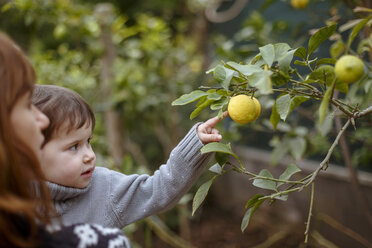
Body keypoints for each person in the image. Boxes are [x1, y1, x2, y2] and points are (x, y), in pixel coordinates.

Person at [32, 84, 226, 228]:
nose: (89, 156)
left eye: (88, 142)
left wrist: (196, 144)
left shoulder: (104, 188)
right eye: (74, 147)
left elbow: (158, 190)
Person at [0, 32, 131, 247]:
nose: (41, 120)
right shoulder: (94, 242)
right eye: (24, 105)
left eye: (88, 141)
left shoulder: (102, 185)